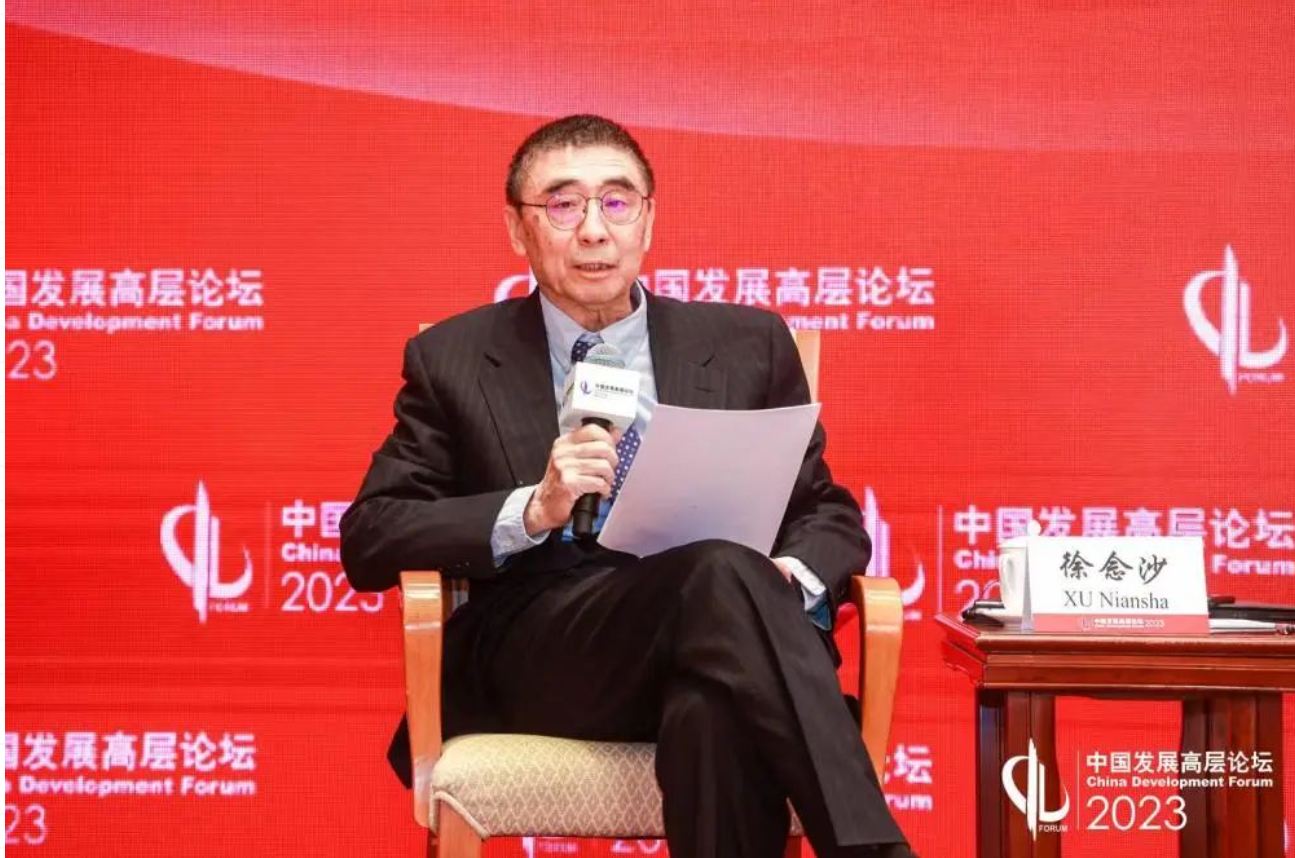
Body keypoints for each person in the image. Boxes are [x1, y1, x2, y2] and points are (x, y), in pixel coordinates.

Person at [341, 114, 913, 858]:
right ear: (517, 229)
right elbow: (372, 534)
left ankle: (741, 613)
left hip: (722, 641)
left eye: (616, 201)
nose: (593, 230)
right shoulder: (456, 357)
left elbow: (825, 512)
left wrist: (781, 582)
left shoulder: (747, 345)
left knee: (714, 700)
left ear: (648, 220)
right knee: (720, 573)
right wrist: (532, 509)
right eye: (562, 204)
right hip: (548, 655)